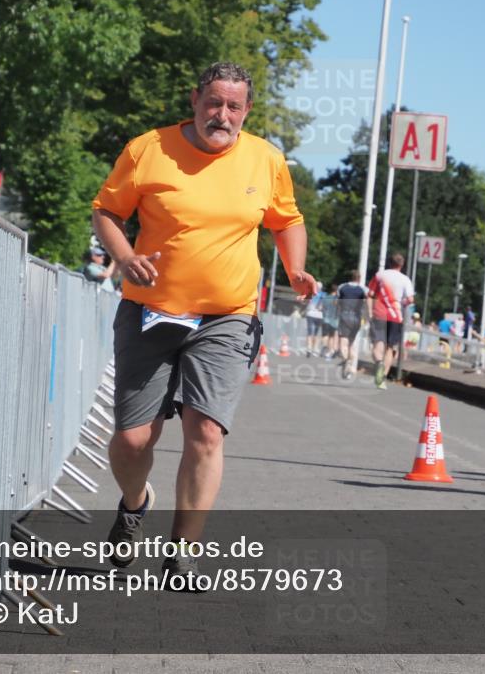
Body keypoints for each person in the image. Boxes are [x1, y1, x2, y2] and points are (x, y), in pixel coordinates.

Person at [91, 62, 316, 588]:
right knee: (132, 439)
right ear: (195, 100)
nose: (223, 115)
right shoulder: (149, 148)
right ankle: (134, 502)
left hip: (228, 315)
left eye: (234, 106)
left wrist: (295, 267)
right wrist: (124, 257)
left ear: (247, 111)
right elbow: (106, 211)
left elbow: (286, 219)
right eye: (214, 102)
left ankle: (183, 552)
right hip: (151, 310)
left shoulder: (265, 158)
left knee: (206, 432)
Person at [367, 253, 415, 390]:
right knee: (390, 348)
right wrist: (400, 303)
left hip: (379, 314)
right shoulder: (405, 279)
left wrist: (370, 311)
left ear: (389, 262)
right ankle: (382, 379)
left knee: (377, 345)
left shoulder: (380, 275)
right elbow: (411, 300)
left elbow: (370, 295)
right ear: (402, 265)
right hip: (395, 315)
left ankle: (379, 363)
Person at [335, 270, 367, 380]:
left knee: (343, 342)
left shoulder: (342, 287)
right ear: (359, 278)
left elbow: (336, 302)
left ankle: (345, 360)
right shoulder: (363, 289)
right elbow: (366, 303)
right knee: (351, 344)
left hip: (344, 315)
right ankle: (349, 368)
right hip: (356, 318)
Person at [304, 282, 326, 357]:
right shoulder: (324, 295)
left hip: (310, 314)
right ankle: (314, 349)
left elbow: (306, 302)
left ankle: (309, 348)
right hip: (320, 315)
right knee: (316, 333)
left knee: (310, 332)